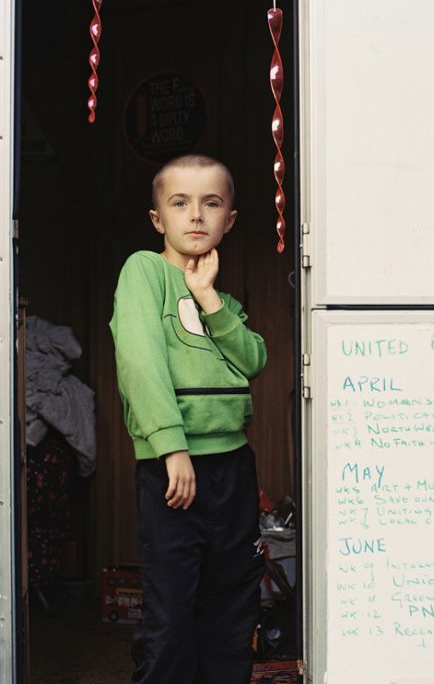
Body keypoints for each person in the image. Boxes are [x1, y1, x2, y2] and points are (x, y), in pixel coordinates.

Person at [109, 154, 268, 684]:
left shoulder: (219, 296)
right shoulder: (145, 271)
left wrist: (209, 298)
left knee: (230, 608)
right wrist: (171, 446)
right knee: (172, 611)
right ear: (158, 219)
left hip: (232, 468)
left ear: (230, 219)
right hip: (174, 469)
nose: (195, 215)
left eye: (211, 203)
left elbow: (253, 359)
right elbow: (140, 361)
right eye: (180, 203)